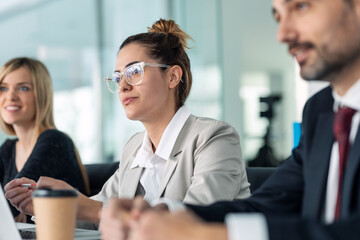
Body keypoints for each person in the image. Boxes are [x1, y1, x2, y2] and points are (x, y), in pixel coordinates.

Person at [98, 0, 360, 239]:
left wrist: (212, 235)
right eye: (278, 17)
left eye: (301, 7)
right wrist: (163, 214)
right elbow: (269, 202)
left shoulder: (213, 136)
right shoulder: (321, 110)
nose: (283, 35)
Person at [4, 19, 250, 226]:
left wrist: (86, 207)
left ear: (173, 76)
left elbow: (195, 220)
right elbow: (98, 210)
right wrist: (50, 206)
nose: (123, 85)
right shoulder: (134, 148)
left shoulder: (215, 137)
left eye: (135, 72)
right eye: (118, 76)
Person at [0, 57, 89, 222]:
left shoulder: (54, 141)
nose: (10, 96)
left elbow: (8, 205)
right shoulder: (8, 149)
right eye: (3, 88)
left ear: (41, 96)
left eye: (23, 88)